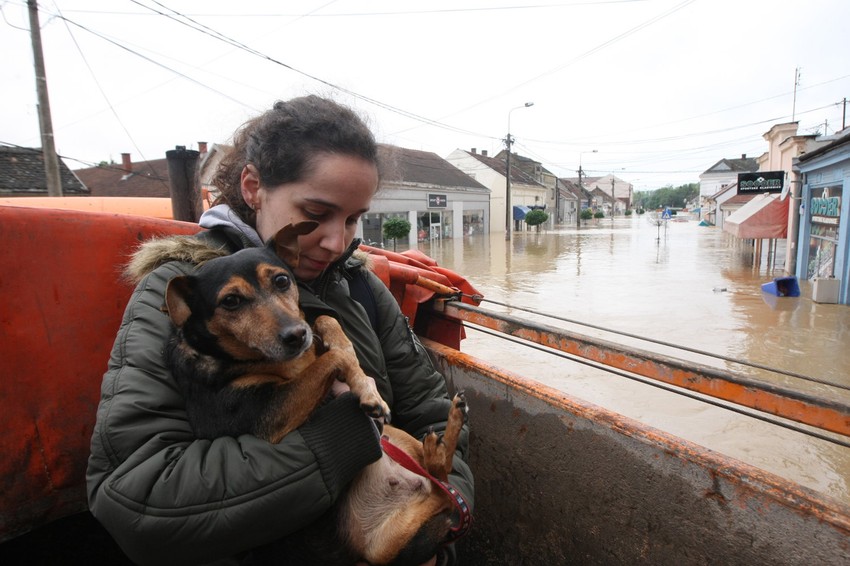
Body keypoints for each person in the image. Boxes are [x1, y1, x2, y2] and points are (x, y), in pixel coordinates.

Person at [86, 95, 474, 565]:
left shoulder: (361, 287)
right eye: (316, 212)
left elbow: (431, 414)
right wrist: (342, 442)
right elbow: (137, 498)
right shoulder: (179, 297)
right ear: (253, 186)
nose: (337, 241)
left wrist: (433, 535)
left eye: (352, 218)